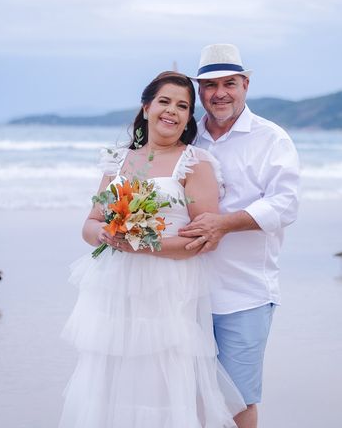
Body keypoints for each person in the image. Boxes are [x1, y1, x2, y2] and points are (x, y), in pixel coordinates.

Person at [59, 71, 245, 428]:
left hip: (168, 288)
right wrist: (107, 234)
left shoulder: (196, 163)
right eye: (164, 102)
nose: (172, 111)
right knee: (110, 378)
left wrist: (144, 244)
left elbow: (200, 240)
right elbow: (90, 223)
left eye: (183, 106)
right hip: (114, 290)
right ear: (146, 107)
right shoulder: (117, 160)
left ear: (190, 118)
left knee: (160, 382)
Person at [179, 44, 300, 428]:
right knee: (189, 394)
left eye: (229, 83)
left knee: (238, 400)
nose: (220, 93)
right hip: (185, 289)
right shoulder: (187, 135)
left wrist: (223, 223)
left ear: (245, 84)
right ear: (199, 90)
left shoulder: (271, 138)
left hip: (245, 292)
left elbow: (285, 204)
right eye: (210, 85)